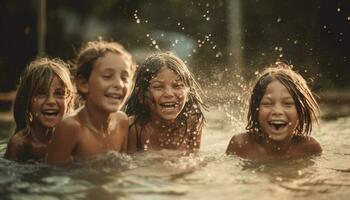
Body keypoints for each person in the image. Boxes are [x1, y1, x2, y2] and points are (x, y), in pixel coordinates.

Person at [46, 39, 136, 165]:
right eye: (107, 76)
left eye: (125, 78)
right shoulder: (71, 127)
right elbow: (50, 177)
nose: (119, 84)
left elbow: (122, 171)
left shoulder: (122, 122)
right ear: (84, 84)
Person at [226, 62, 322, 160]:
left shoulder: (309, 149)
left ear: (300, 111)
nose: (277, 111)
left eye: (287, 104)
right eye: (267, 103)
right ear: (256, 109)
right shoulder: (241, 146)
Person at [126, 52, 207, 153]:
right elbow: (131, 165)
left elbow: (195, 159)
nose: (169, 94)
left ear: (188, 94)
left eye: (177, 86)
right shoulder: (134, 128)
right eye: (158, 87)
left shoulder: (192, 122)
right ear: (141, 96)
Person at [4, 58, 75, 162]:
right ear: (27, 101)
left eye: (59, 93)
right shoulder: (21, 144)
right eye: (41, 93)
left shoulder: (72, 140)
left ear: (68, 101)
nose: (51, 101)